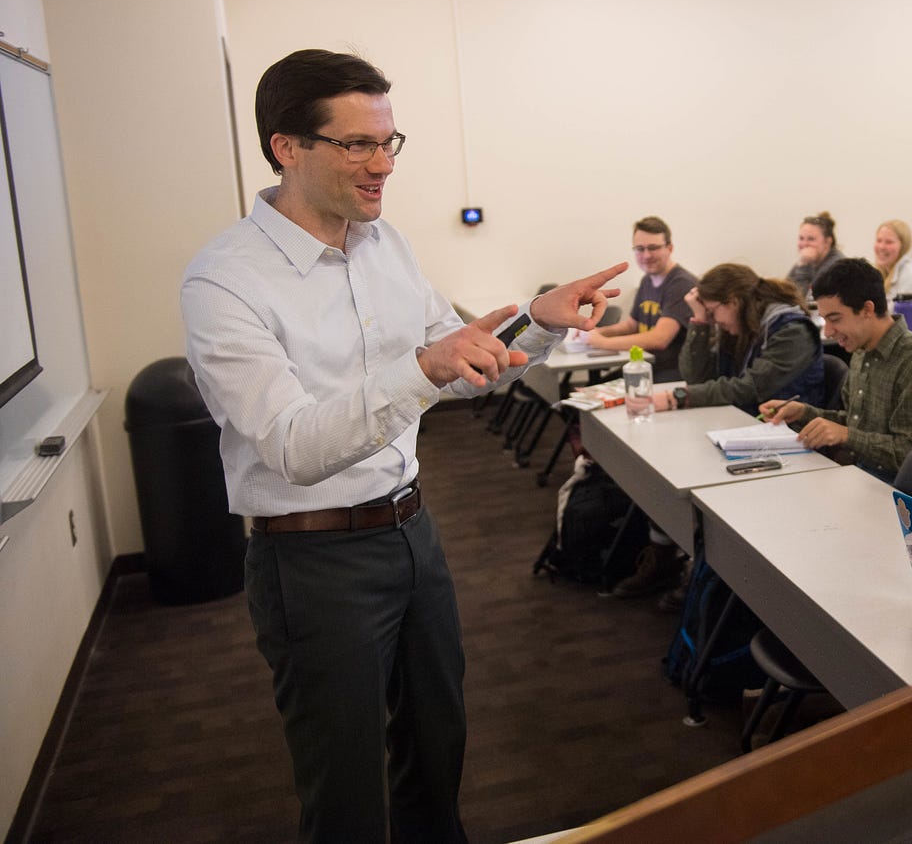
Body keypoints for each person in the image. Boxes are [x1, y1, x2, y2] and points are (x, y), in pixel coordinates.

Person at [181, 49, 626, 843]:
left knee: (436, 752)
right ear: (287, 147)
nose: (383, 164)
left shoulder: (385, 246)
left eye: (390, 141)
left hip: (413, 534)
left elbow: (457, 362)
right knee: (344, 791)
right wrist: (424, 367)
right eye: (358, 144)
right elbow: (291, 445)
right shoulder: (226, 281)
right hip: (310, 561)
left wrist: (535, 319)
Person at [763, 257, 912, 479]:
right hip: (862, 477)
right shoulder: (861, 351)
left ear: (867, 309)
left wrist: (847, 436)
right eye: (824, 320)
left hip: (908, 494)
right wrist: (804, 412)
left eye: (835, 319)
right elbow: (857, 423)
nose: (828, 331)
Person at [651, 263, 825, 414]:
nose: (714, 320)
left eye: (712, 311)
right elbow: (696, 378)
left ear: (733, 302)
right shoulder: (741, 327)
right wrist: (700, 320)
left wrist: (679, 397)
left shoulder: (792, 331)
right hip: (746, 423)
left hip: (788, 434)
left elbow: (749, 388)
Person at [586, 215, 696, 379]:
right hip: (645, 366)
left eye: (653, 248)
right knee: (588, 391)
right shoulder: (647, 280)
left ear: (670, 248)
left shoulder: (681, 284)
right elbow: (632, 325)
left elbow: (659, 339)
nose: (646, 256)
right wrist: (596, 332)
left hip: (673, 373)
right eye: (640, 249)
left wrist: (601, 342)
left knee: (593, 393)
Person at [872, 219, 912, 337]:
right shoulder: (883, 273)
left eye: (889, 242)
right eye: (879, 240)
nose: (881, 246)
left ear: (903, 246)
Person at [787, 211, 844, 299]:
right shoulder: (808, 260)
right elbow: (785, 291)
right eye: (801, 238)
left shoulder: (835, 266)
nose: (804, 244)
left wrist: (803, 267)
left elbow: (802, 300)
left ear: (827, 242)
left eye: (811, 239)